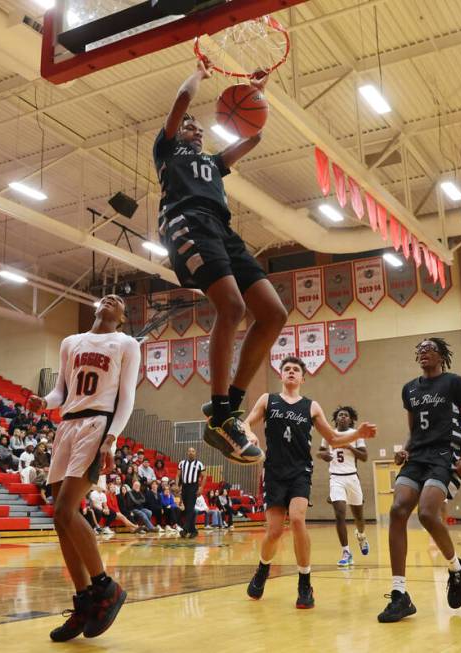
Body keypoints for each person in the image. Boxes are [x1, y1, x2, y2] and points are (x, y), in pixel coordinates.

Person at [155, 59, 286, 466]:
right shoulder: (167, 150)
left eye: (199, 127)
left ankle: (227, 404)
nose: (197, 129)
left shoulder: (212, 163)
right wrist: (200, 73)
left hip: (222, 231)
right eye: (191, 125)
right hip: (186, 222)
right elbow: (181, 99)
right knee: (232, 306)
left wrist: (255, 91)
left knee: (273, 314)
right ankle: (222, 416)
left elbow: (255, 137)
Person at [28, 294, 140, 643]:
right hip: (66, 426)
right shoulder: (70, 342)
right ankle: (84, 603)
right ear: (96, 308)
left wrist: (113, 438)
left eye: (119, 301)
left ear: (121, 318)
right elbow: (61, 390)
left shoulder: (126, 343)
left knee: (65, 510)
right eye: (107, 297)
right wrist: (43, 402)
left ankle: (106, 586)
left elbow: (127, 397)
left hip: (97, 424)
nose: (111, 299)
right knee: (61, 521)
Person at [243, 356, 376, 609]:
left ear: (303, 378)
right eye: (287, 369)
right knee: (273, 531)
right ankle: (262, 569)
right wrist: (250, 434)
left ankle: (305, 582)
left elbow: (333, 438)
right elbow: (247, 422)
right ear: (281, 376)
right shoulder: (267, 400)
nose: (291, 372)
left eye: (296, 370)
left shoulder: (311, 406)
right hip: (273, 471)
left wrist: (358, 434)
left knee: (296, 518)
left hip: (300, 471)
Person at [379, 338, 461, 624]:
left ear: (441, 355)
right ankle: (400, 595)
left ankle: (456, 568)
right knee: (397, 510)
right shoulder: (409, 389)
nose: (423, 352)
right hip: (418, 456)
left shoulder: (454, 383)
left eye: (429, 348)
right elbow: (413, 431)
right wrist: (405, 449)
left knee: (426, 513)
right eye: (419, 349)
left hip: (445, 456)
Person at [317, 405, 369, 568]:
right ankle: (346, 552)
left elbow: (365, 457)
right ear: (336, 418)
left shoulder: (356, 435)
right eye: (340, 415)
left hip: (352, 478)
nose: (343, 417)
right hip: (336, 478)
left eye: (346, 415)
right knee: (340, 514)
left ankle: (361, 535)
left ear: (351, 419)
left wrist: (349, 447)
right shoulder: (328, 435)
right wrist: (325, 455)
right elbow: (320, 453)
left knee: (358, 517)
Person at [177, 447, 204, 538]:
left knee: (190, 508)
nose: (191, 453)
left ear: (195, 453)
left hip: (193, 487)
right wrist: (177, 485)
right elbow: (178, 475)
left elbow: (204, 476)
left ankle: (185, 530)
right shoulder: (182, 463)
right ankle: (193, 531)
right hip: (185, 487)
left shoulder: (199, 464)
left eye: (193, 451)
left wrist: (201, 488)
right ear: (187, 453)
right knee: (188, 510)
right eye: (189, 451)